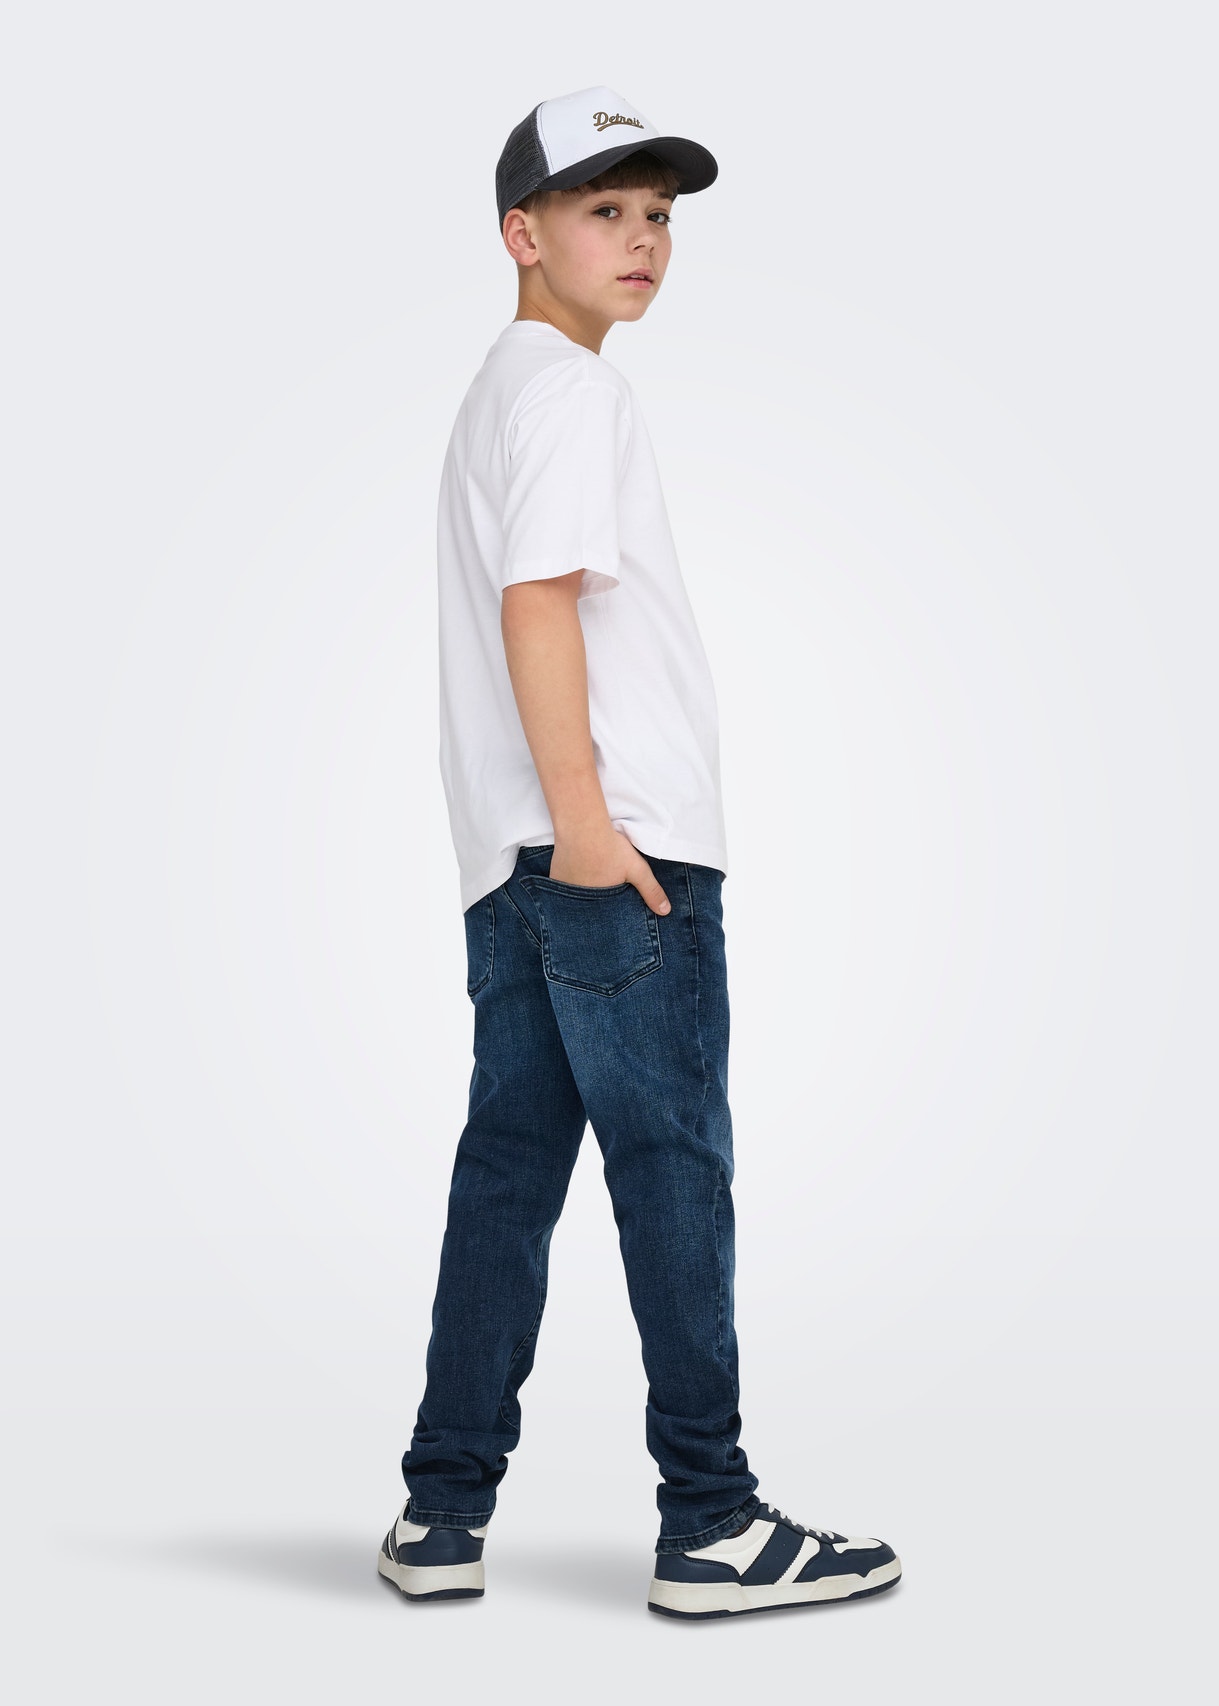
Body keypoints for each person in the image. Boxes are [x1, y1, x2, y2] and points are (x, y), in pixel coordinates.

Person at [376, 84, 902, 1619]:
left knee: (508, 1176)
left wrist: (554, 836)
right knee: (676, 1167)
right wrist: (598, 826)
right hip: (612, 857)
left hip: (515, 864)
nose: (644, 239)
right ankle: (713, 1520)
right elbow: (539, 602)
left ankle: (441, 1510)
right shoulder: (568, 394)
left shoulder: (501, 391)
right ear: (520, 234)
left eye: (659, 214)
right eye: (604, 209)